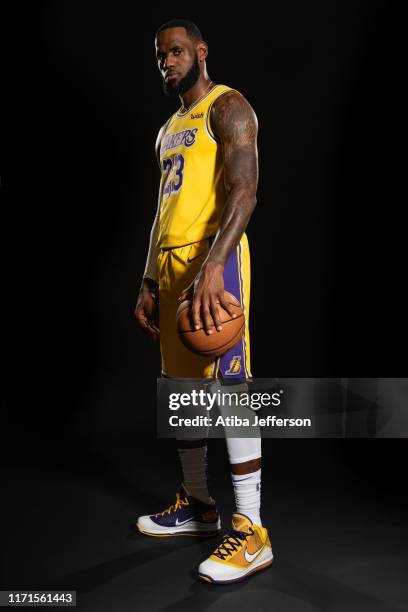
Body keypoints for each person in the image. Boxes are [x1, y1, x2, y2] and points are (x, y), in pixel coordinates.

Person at [134, 19, 273, 584]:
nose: (167, 61)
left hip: (214, 260)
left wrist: (214, 263)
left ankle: (253, 528)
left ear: (200, 51)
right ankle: (198, 506)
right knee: (182, 389)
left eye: (176, 50)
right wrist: (148, 279)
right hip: (170, 268)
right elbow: (162, 208)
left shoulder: (229, 106)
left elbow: (245, 188)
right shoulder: (167, 129)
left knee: (231, 391)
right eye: (160, 55)